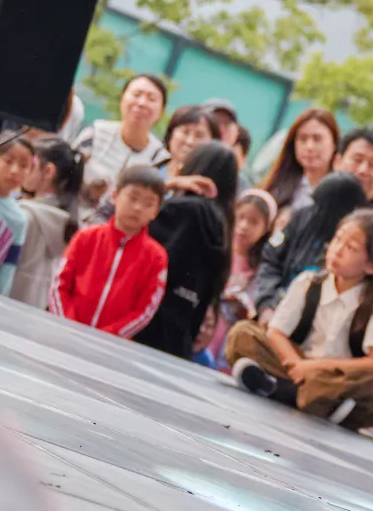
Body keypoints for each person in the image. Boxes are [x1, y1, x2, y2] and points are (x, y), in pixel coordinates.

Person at [226, 208, 373, 428]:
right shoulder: (309, 282)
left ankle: (278, 387)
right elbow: (276, 332)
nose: (337, 250)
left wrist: (313, 368)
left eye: (351, 248)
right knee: (243, 333)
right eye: (337, 239)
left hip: (340, 375)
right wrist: (298, 364)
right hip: (296, 363)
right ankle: (313, 400)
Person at [135, 142, 238, 360]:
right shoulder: (223, 227)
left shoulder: (181, 210)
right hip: (178, 338)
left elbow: (132, 234)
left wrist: (167, 185)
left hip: (141, 322)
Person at [49, 165, 169, 338]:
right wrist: (67, 324)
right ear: (114, 196)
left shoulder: (156, 257)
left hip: (110, 344)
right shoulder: (86, 237)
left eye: (148, 204)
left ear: (155, 212)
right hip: (64, 332)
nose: (138, 208)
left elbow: (145, 310)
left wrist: (109, 336)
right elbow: (59, 283)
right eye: (132, 197)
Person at [250, 171, 373, 316]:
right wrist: (266, 304)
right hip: (275, 306)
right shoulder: (302, 218)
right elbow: (271, 259)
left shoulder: (357, 240)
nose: (317, 211)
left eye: (323, 207)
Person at [207, 189, 276, 370]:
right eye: (241, 217)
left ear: (266, 229)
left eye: (254, 222)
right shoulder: (218, 249)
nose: (244, 226)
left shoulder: (262, 268)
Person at [11, 137, 83, 308]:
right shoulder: (73, 224)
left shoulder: (24, 216)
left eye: (29, 165)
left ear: (48, 171)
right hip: (38, 312)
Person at [76, 73, 170, 192]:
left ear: (161, 111)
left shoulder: (160, 158)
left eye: (151, 99)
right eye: (136, 94)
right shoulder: (95, 133)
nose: (142, 103)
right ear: (122, 98)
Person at [259, 107, 340, 217]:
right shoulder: (275, 190)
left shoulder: (341, 192)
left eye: (317, 139)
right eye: (303, 139)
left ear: (334, 143)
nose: (309, 147)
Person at [0, 132, 33, 295]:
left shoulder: (18, 219)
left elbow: (8, 268)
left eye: (24, 166)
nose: (15, 171)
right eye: (8, 161)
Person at [160, 106, 216, 176]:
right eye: (185, 132)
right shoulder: (150, 174)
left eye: (199, 136)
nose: (189, 141)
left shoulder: (218, 181)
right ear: (170, 134)